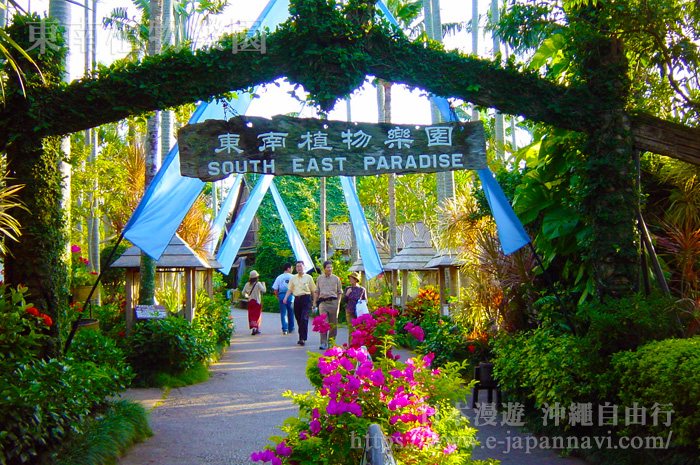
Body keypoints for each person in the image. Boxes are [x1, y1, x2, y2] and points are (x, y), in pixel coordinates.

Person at [283, 261, 316, 346]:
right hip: (297, 300)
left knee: (304, 318)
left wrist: (314, 302)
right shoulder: (293, 278)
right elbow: (290, 289)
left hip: (306, 299)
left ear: (304, 267)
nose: (299, 268)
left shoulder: (309, 278)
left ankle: (303, 338)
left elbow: (313, 291)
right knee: (298, 319)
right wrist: (286, 297)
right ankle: (301, 335)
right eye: (297, 267)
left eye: (300, 266)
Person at [315, 260, 342, 350]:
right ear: (324, 269)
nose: (330, 269)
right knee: (323, 323)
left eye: (331, 267)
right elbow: (317, 291)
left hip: (333, 302)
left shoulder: (336, 278)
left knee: (333, 324)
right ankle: (323, 342)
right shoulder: (319, 278)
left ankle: (331, 342)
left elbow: (339, 292)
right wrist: (314, 303)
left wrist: (338, 303)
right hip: (323, 303)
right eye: (328, 267)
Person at [272, 262, 295, 335]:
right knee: (291, 312)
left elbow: (275, 289)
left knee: (283, 313)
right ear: (288, 268)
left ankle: (285, 329)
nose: (292, 270)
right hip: (290, 296)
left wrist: (277, 296)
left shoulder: (279, 277)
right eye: (291, 268)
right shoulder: (293, 277)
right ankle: (291, 328)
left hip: (281, 295)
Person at [242, 270, 266, 335]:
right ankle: (257, 328)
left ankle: (253, 328)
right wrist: (263, 284)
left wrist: (247, 296)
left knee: (251, 315)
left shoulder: (247, 284)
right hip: (257, 302)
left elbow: (243, 293)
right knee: (257, 315)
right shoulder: (258, 284)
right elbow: (264, 290)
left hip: (250, 301)